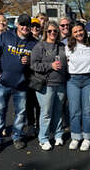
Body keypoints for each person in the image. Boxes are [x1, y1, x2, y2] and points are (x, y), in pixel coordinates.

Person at [0, 14, 37, 153]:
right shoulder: (5, 37)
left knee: (20, 112)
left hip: (21, 85)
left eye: (27, 25)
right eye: (22, 24)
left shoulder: (34, 43)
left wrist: (29, 62)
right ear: (17, 24)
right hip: (3, 83)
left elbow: (37, 64)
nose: (25, 27)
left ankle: (17, 136)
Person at [30, 21, 68, 151]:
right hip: (46, 84)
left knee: (58, 111)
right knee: (46, 113)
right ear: (45, 32)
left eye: (55, 31)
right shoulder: (39, 46)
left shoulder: (62, 45)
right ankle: (43, 138)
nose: (53, 33)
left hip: (61, 83)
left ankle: (58, 135)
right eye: (50, 31)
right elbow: (34, 65)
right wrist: (50, 66)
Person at [65, 22, 90, 151]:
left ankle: (87, 137)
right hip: (73, 80)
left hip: (89, 80)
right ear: (72, 34)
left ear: (84, 30)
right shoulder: (67, 46)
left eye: (80, 30)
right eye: (75, 32)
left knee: (87, 111)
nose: (78, 33)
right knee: (74, 110)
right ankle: (75, 137)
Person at [26, 18, 41, 137]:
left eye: (37, 26)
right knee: (29, 103)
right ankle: (31, 125)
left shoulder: (43, 41)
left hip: (40, 76)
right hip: (28, 76)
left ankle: (40, 125)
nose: (35, 28)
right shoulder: (26, 40)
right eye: (33, 26)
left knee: (39, 103)